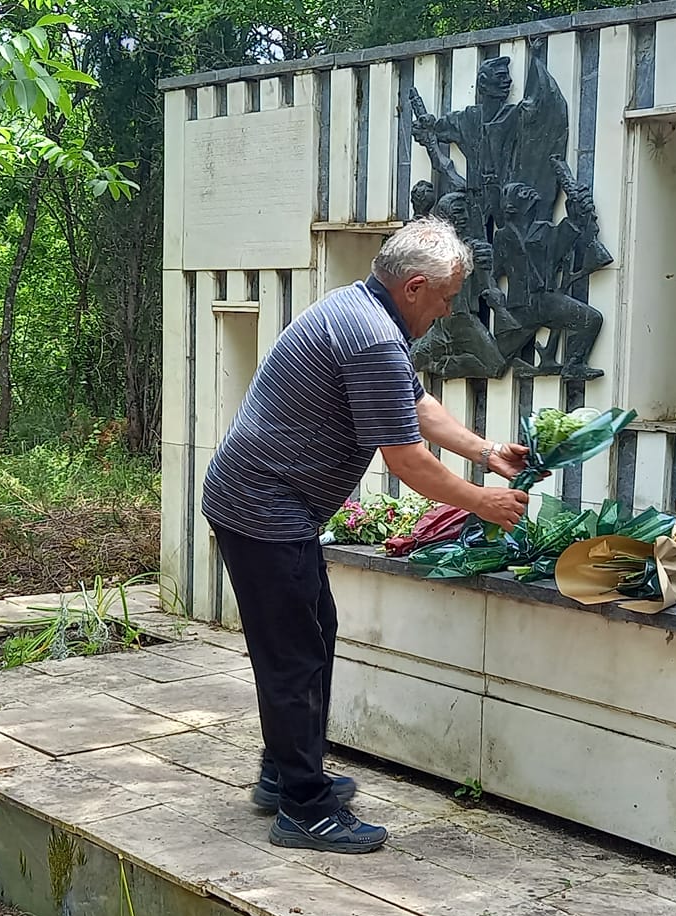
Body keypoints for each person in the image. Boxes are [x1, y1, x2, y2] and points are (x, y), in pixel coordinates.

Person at [201, 219, 532, 854]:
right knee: (294, 653)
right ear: (414, 287)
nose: (448, 309)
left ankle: (283, 772)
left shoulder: (362, 310)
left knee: (310, 633)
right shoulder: (375, 337)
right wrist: (482, 502)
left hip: (269, 502)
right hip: (264, 508)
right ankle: (304, 808)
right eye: (446, 296)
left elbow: (418, 406)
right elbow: (405, 459)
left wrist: (486, 451)